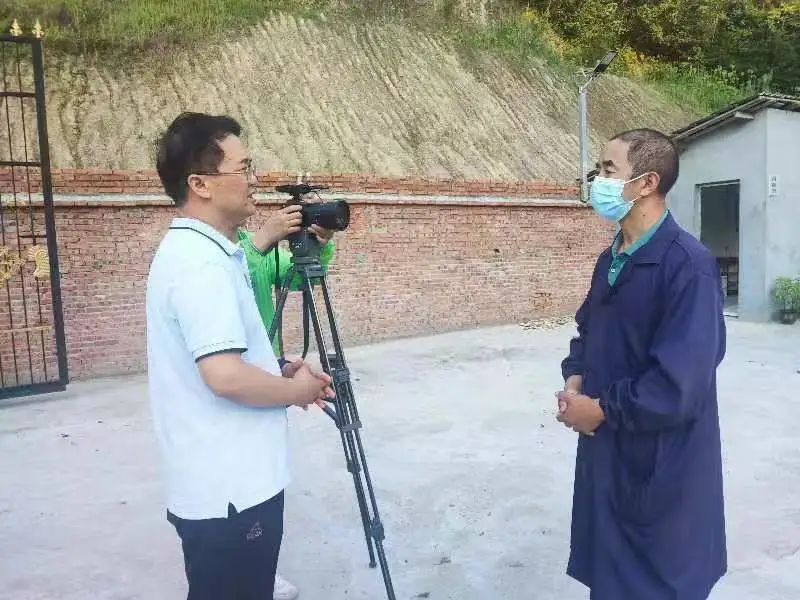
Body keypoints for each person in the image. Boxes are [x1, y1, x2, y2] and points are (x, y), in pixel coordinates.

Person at [146, 112, 335, 600]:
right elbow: (225, 376)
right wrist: (296, 390)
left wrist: (279, 369)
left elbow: (224, 356)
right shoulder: (200, 264)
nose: (255, 180)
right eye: (244, 167)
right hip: (230, 491)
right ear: (200, 184)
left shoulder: (211, 252)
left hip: (225, 484)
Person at [557, 128, 727, 599]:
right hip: (608, 455)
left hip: (662, 463)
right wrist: (574, 384)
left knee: (655, 581)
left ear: (647, 183)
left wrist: (601, 409)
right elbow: (588, 333)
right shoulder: (610, 259)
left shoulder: (687, 266)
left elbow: (679, 385)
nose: (597, 180)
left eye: (609, 170)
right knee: (611, 578)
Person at [236, 196, 336, 600]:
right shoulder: (207, 255)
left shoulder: (250, 246)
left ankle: (258, 570)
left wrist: (318, 246)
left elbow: (298, 279)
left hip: (266, 372)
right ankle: (239, 576)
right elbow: (233, 275)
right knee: (238, 485)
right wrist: (263, 239)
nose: (252, 183)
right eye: (242, 170)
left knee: (262, 480)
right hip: (231, 384)